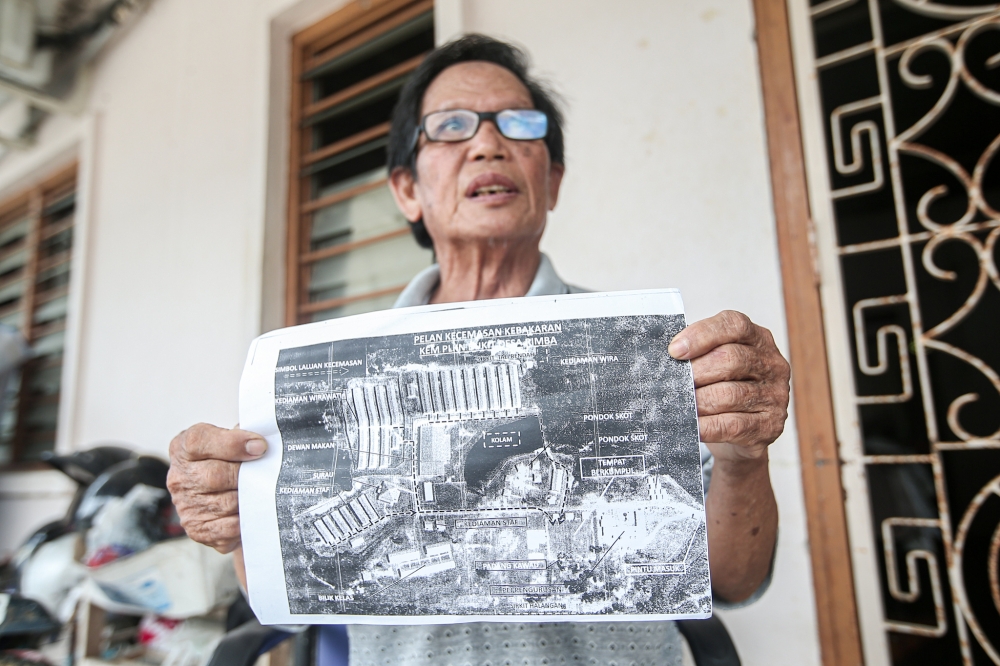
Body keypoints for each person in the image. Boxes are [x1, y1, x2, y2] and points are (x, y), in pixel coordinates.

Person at [167, 35, 789, 666]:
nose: (488, 144)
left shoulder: (644, 353)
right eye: (451, 126)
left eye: (519, 124)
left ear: (551, 181)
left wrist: (743, 459)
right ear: (407, 190)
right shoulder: (335, 373)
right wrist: (235, 525)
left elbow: (733, 580)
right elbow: (283, 592)